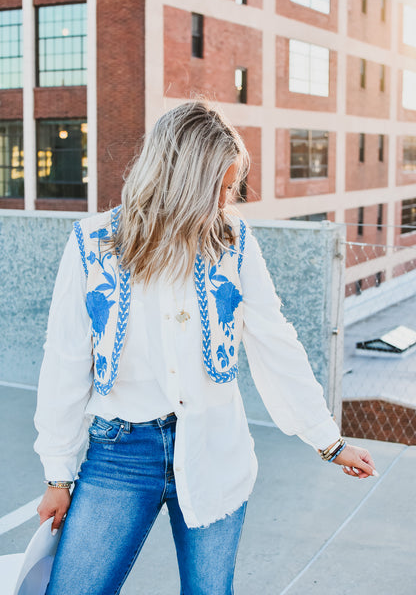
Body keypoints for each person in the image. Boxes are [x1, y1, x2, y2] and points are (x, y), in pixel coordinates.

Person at [34, 100, 377, 595]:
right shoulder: (93, 242)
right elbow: (65, 359)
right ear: (182, 181)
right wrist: (57, 475)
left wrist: (328, 440)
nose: (225, 201)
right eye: (217, 187)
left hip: (216, 447)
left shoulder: (234, 241)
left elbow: (273, 340)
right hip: (119, 453)